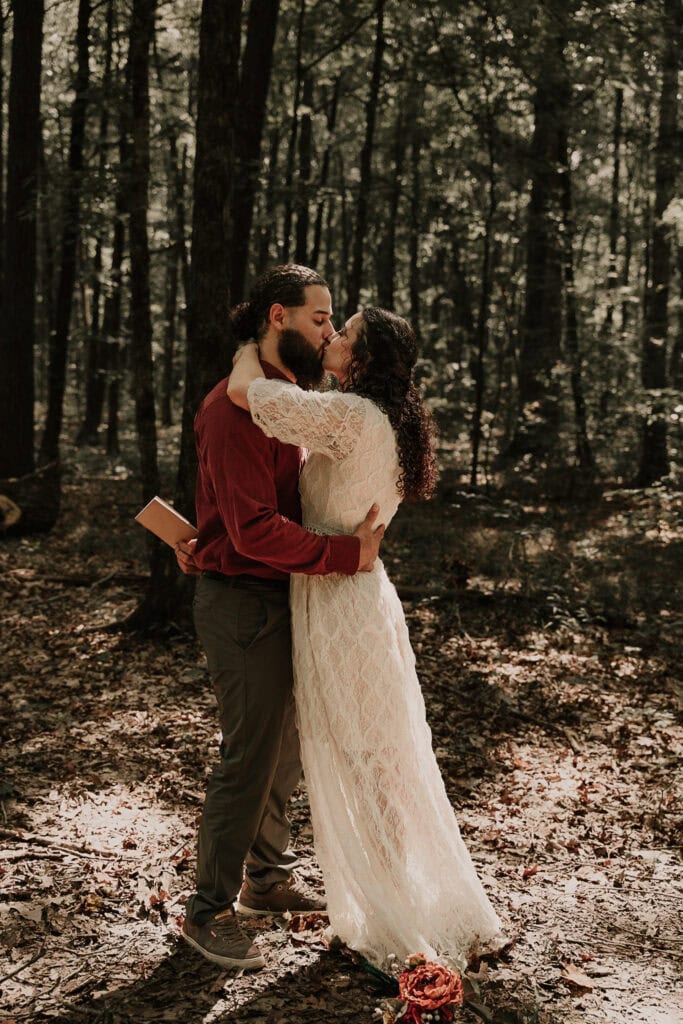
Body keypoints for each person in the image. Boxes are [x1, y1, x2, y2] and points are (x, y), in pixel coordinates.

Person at [227, 307, 505, 969]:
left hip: (337, 602)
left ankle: (390, 915)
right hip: (358, 592)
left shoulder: (351, 417)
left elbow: (249, 395)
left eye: (344, 333)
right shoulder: (380, 419)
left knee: (360, 757)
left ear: (365, 358)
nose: (332, 337)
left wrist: (248, 346)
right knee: (378, 755)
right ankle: (399, 894)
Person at [175, 265, 385, 972]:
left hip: (289, 595)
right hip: (244, 604)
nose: (328, 330)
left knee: (287, 745)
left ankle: (266, 878)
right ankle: (207, 909)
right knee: (249, 755)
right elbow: (254, 529)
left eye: (332, 321)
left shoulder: (284, 397)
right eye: (320, 318)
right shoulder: (232, 412)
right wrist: (345, 554)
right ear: (278, 317)